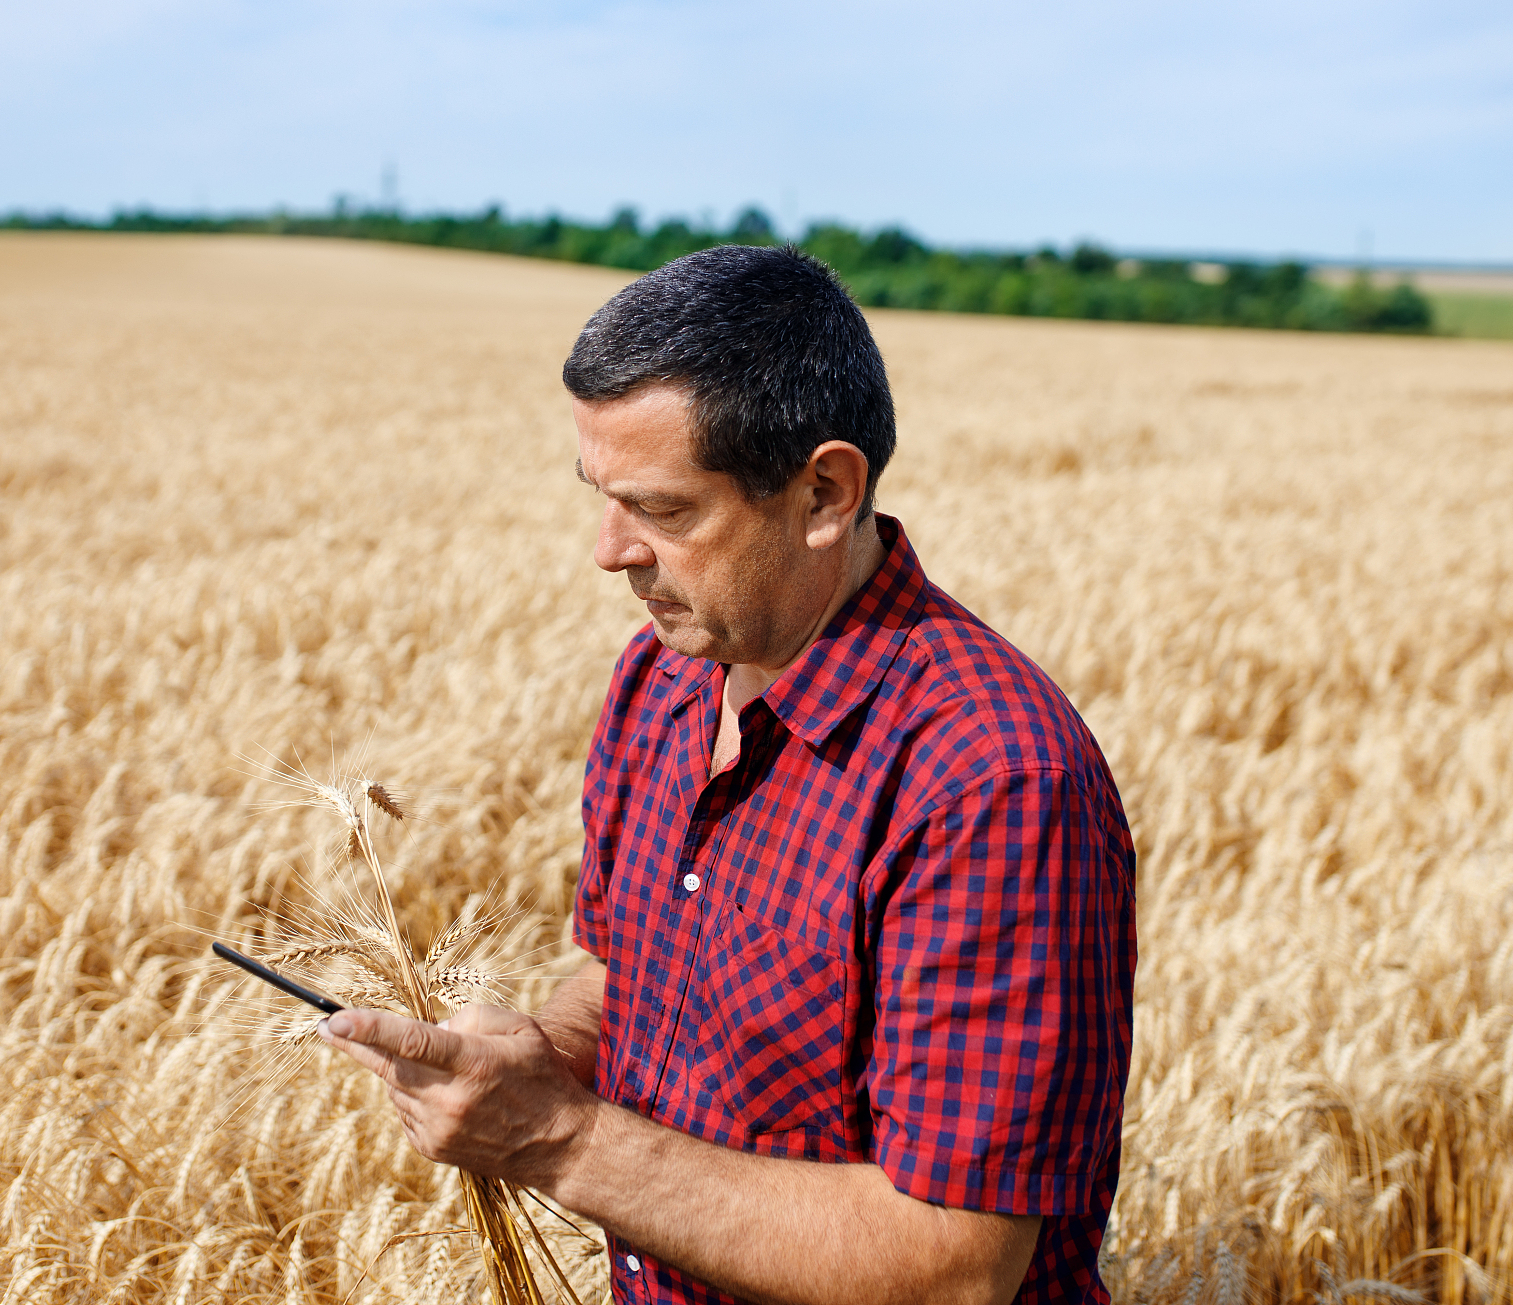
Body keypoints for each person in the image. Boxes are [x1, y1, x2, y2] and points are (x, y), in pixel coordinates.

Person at [320, 245, 1136, 1305]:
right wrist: (533, 1058)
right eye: (599, 497)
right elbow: (638, 985)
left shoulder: (989, 783)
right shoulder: (661, 682)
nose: (609, 551)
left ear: (822, 493)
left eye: (661, 510)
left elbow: (956, 1268)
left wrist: (557, 1139)